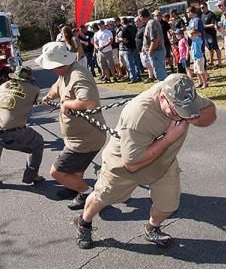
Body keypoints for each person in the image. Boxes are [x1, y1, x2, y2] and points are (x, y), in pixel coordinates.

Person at [73, 73, 216, 249]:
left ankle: (152, 228)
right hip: (123, 165)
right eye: (175, 111)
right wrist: (169, 139)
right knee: (103, 198)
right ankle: (83, 222)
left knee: (168, 205)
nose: (180, 116)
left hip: (164, 162)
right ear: (162, 97)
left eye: (185, 111)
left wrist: (195, 117)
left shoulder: (182, 94)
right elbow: (132, 163)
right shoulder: (138, 114)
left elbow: (211, 113)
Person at [36, 42, 106, 210]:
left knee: (57, 172)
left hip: (85, 140)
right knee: (75, 170)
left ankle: (88, 194)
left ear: (58, 64)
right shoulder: (64, 72)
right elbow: (57, 86)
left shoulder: (77, 75)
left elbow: (88, 102)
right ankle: (75, 187)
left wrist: (67, 104)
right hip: (77, 137)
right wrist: (49, 96)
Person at [0, 66, 45, 185]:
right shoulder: (34, 89)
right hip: (13, 131)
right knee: (38, 142)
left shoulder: (3, 86)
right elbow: (39, 101)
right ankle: (31, 176)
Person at [140, 8, 167, 81]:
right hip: (155, 52)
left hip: (156, 52)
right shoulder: (151, 22)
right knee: (158, 72)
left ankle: (164, 90)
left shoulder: (151, 23)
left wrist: (150, 52)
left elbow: (155, 40)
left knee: (160, 73)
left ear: (142, 16)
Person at [201, 2, 222, 68]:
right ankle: (211, 61)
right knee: (209, 49)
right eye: (201, 8)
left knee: (216, 48)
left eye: (203, 7)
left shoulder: (211, 14)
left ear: (206, 6)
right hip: (205, 35)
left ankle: (219, 63)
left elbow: (214, 24)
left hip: (211, 34)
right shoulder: (202, 15)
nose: (202, 9)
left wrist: (205, 26)